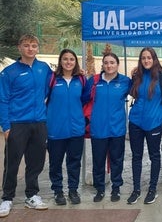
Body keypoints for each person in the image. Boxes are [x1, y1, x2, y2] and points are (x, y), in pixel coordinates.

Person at [0, 34, 52, 218]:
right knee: (12, 162)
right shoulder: (9, 72)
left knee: (36, 162)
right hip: (17, 124)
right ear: (19, 48)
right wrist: (6, 126)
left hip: (39, 123)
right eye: (27, 45)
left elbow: (50, 88)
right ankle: (7, 197)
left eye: (34, 45)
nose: (31, 49)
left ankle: (32, 195)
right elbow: (3, 99)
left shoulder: (44, 69)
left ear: (38, 48)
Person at [87, 52, 131, 203]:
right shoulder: (93, 81)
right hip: (98, 128)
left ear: (117, 64)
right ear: (103, 65)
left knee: (117, 160)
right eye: (106, 62)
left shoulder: (125, 81)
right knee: (98, 161)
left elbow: (139, 91)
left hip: (117, 128)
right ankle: (99, 189)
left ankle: (116, 188)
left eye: (112, 62)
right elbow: (83, 98)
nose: (109, 65)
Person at [46, 49, 87, 205]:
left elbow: (85, 99)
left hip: (76, 129)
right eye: (65, 59)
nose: (68, 62)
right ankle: (58, 191)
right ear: (60, 61)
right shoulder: (51, 79)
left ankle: (73, 190)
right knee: (55, 163)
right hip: (56, 130)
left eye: (72, 59)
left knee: (74, 162)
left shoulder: (81, 80)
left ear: (75, 62)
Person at [127, 47, 162, 205]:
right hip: (135, 122)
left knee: (154, 156)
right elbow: (131, 92)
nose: (146, 60)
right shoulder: (137, 76)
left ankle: (152, 189)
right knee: (136, 157)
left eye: (149, 57)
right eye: (143, 58)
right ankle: (136, 189)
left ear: (154, 59)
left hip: (154, 123)